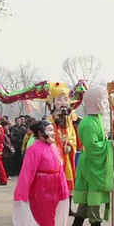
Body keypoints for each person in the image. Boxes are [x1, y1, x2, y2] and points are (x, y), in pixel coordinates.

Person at [13, 120, 69, 226]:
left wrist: (63, 189)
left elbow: (60, 169)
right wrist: (22, 192)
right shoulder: (34, 149)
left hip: (54, 186)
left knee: (42, 219)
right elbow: (27, 172)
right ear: (39, 132)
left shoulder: (54, 147)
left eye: (52, 130)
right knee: (46, 220)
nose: (52, 133)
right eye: (49, 130)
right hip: (41, 189)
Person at [70, 85, 114, 226]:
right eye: (103, 101)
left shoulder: (97, 120)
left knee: (89, 196)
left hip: (94, 162)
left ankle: (78, 222)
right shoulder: (88, 123)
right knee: (94, 195)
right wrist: (108, 145)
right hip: (92, 163)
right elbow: (92, 146)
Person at [46, 82, 78, 214]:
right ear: (52, 103)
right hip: (55, 157)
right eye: (59, 99)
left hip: (66, 156)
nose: (63, 103)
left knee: (68, 180)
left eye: (66, 99)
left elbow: (72, 136)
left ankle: (68, 207)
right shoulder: (49, 121)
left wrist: (70, 144)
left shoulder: (69, 120)